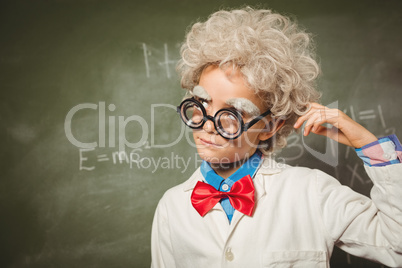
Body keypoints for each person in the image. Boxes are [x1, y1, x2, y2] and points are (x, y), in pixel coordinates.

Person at [151, 7, 402, 268]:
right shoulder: (172, 207)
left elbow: (397, 247)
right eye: (202, 102)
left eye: (234, 113)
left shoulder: (312, 192)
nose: (209, 126)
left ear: (270, 126)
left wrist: (368, 144)